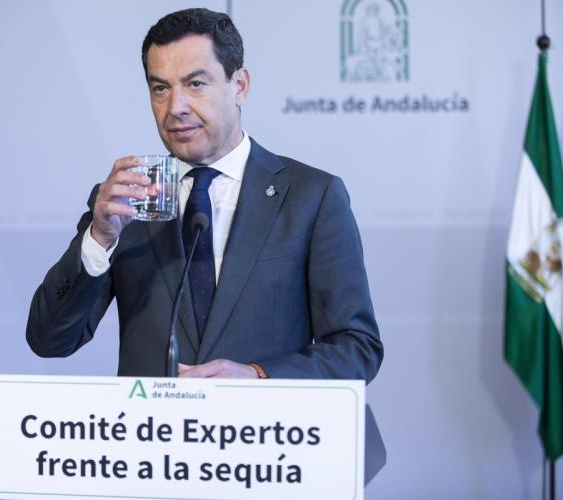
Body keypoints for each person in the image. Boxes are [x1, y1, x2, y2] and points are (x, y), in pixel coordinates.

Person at [26, 8, 383, 383]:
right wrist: (99, 239)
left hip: (265, 421)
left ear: (239, 85)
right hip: (152, 421)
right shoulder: (125, 201)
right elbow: (49, 339)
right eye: (160, 88)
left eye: (195, 84)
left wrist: (259, 376)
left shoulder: (312, 198)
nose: (175, 108)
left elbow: (356, 349)